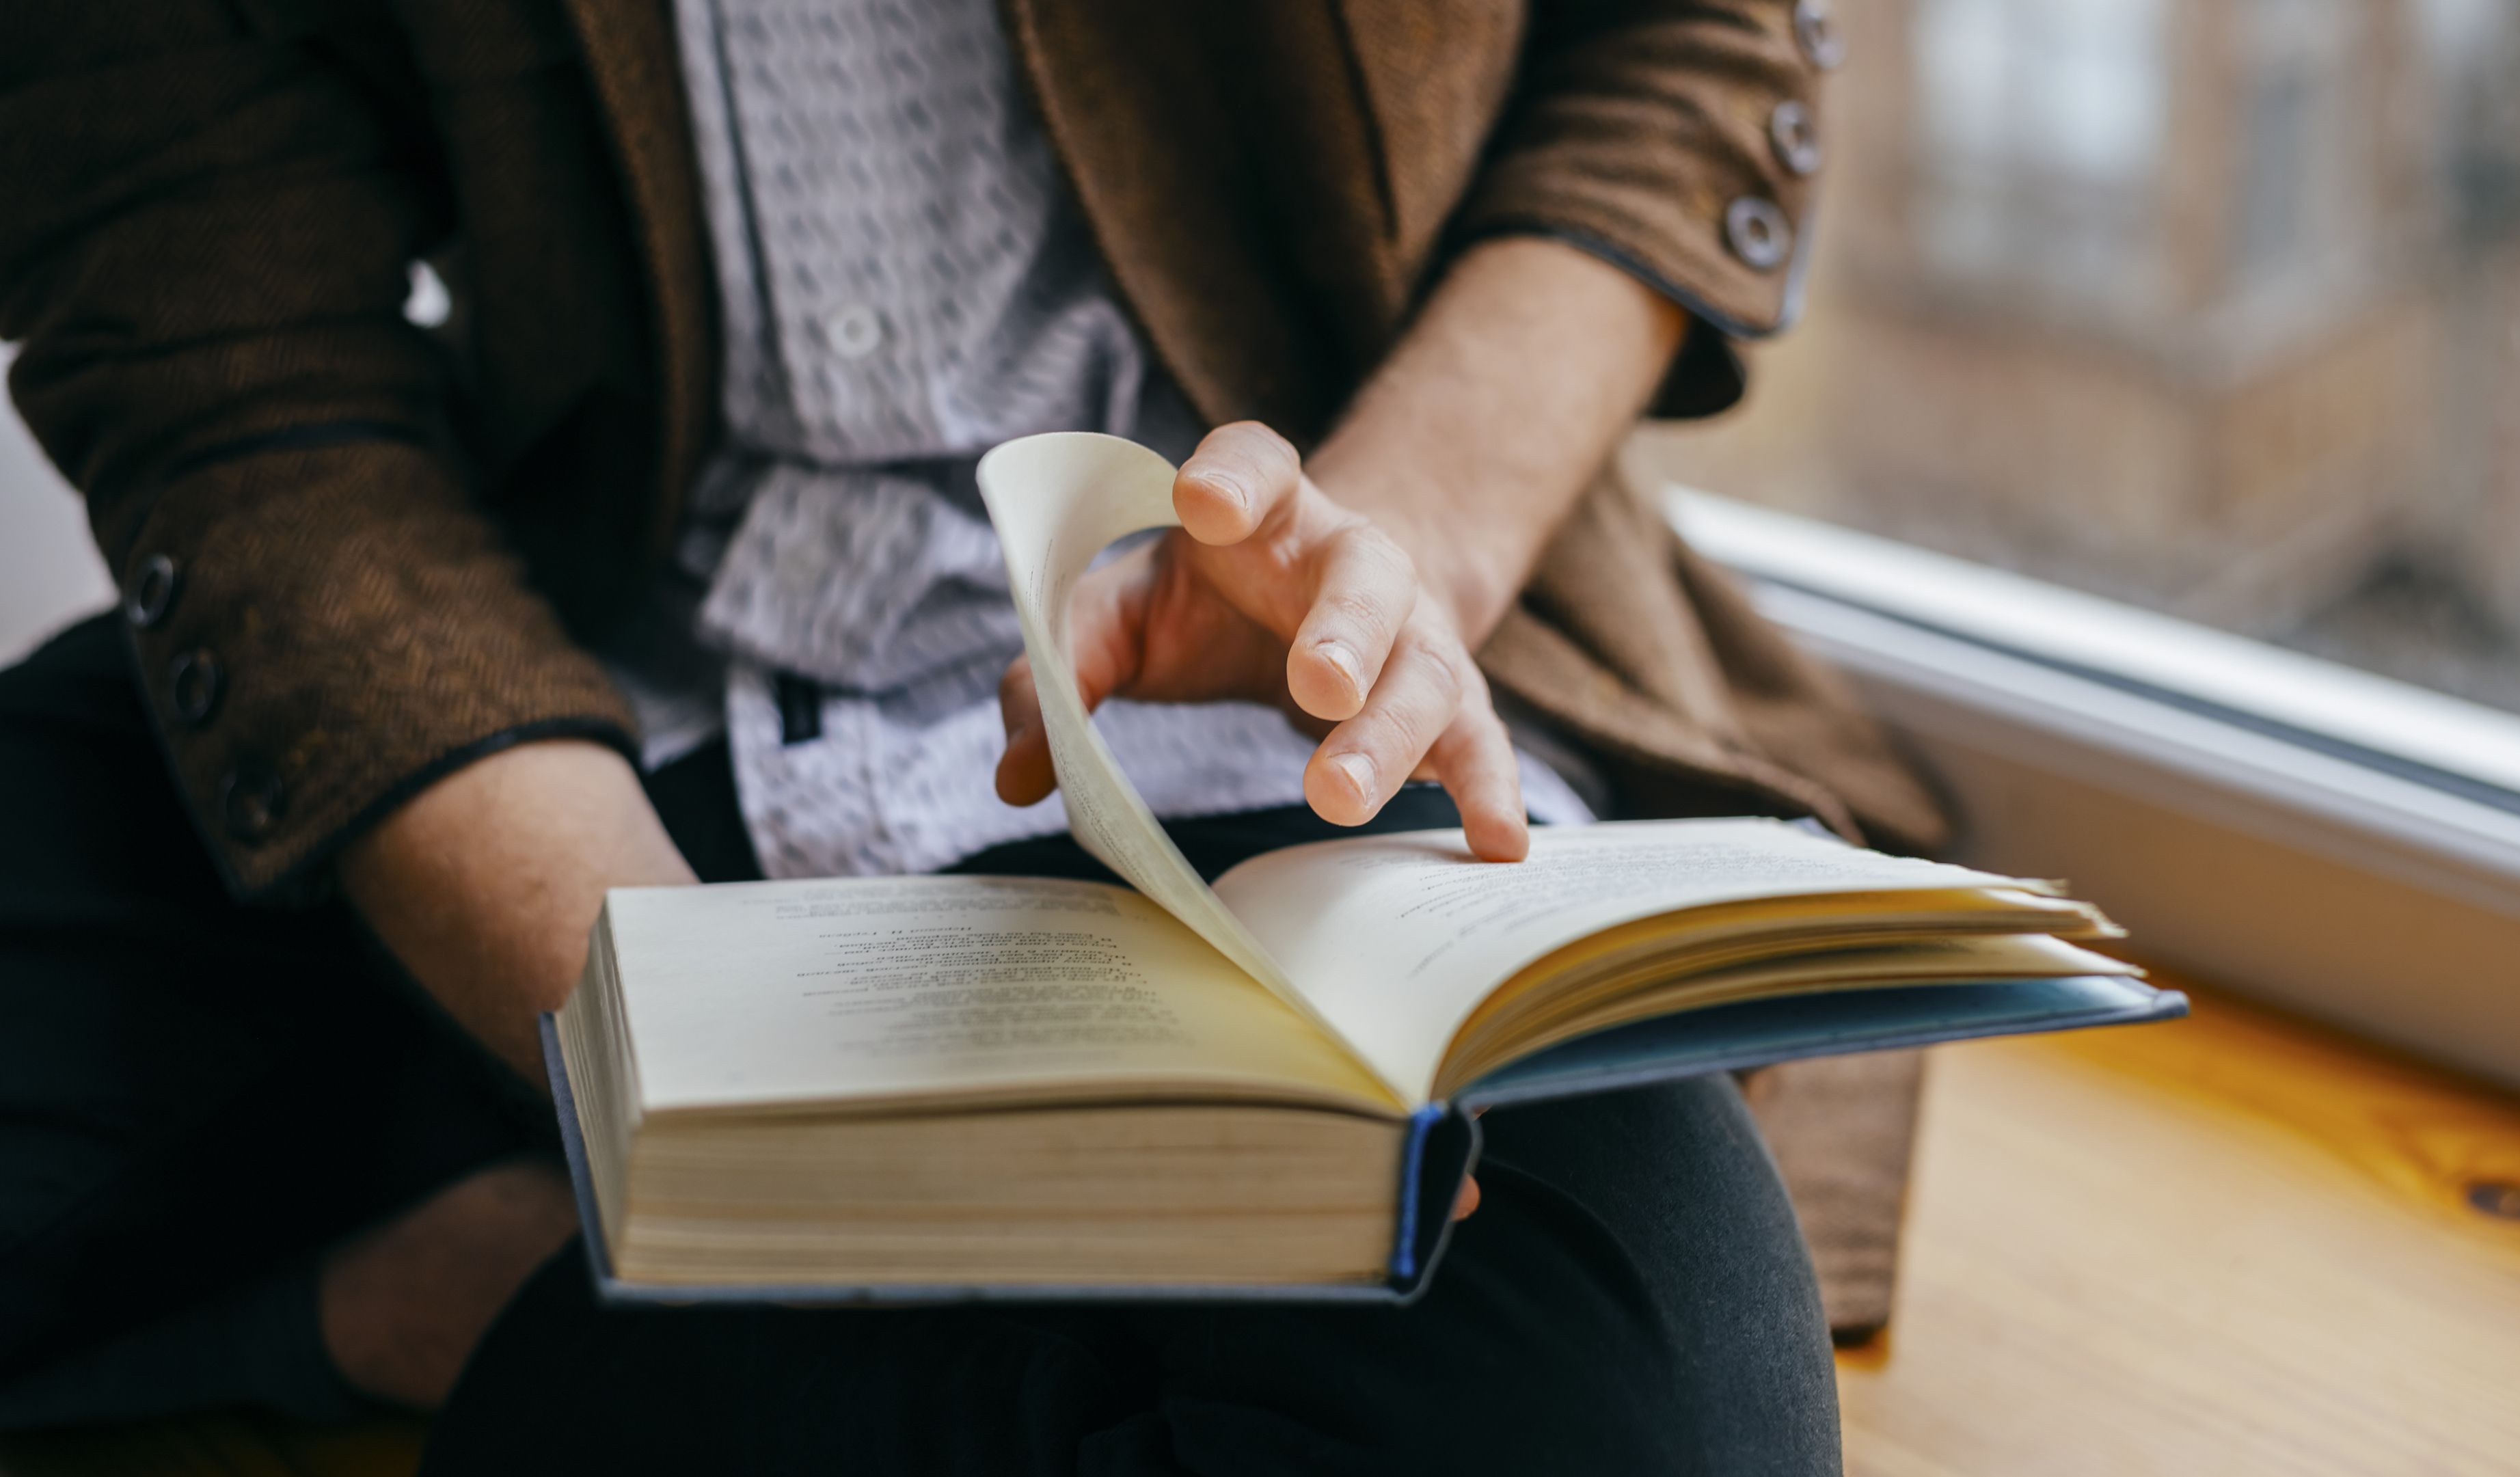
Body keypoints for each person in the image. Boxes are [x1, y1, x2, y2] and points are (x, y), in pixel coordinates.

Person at [0, 0, 1941, 1470]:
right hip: (549, 694)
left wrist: (1380, 556)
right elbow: (224, 342)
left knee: (1621, 1399)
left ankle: (538, 1297)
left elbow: (1683, 40)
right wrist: (687, 1082)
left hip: (1269, 722)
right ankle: (489, 1288)